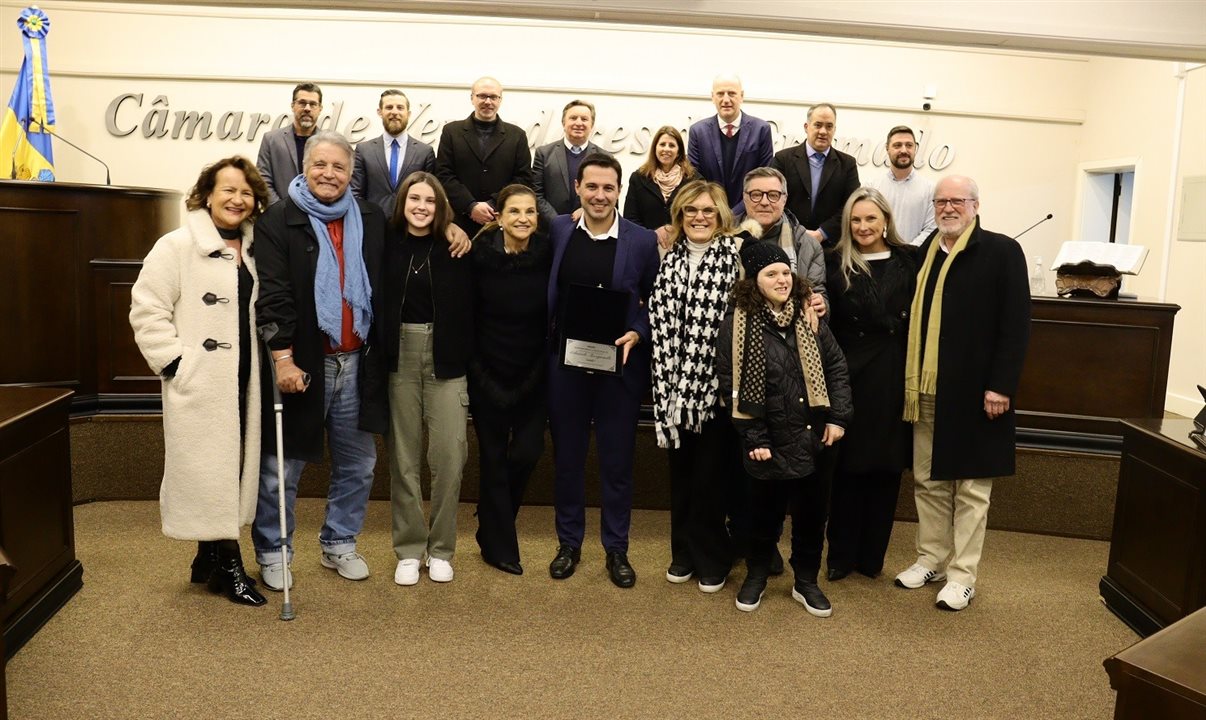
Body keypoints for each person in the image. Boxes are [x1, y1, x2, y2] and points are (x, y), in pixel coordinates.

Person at [130, 156, 271, 607]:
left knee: (230, 466)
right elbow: (147, 309)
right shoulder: (175, 246)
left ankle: (207, 556)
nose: (237, 199)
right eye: (228, 190)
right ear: (207, 194)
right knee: (209, 470)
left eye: (246, 192)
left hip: (245, 378)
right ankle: (230, 566)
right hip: (200, 382)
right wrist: (175, 364)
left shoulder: (255, 250)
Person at [252, 131, 390, 591]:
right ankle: (274, 550)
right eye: (321, 165)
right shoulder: (278, 219)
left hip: (356, 362)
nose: (329, 174)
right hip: (303, 363)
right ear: (304, 168)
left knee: (359, 464)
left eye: (339, 167)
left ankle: (339, 542)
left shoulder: (369, 217)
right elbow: (273, 296)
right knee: (282, 467)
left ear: (352, 174)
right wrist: (283, 360)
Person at [893, 175, 1030, 611]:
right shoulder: (923, 254)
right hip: (928, 387)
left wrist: (1001, 386)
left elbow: (1016, 324)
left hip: (977, 393)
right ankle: (930, 557)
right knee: (928, 480)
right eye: (941, 201)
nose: (948, 208)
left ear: (975, 204)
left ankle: (962, 574)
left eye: (957, 201)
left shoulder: (1002, 251)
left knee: (971, 488)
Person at [716, 242, 852, 616]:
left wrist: (838, 418)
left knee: (812, 516)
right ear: (753, 281)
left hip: (814, 436)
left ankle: (806, 580)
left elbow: (837, 370)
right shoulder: (737, 325)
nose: (781, 280)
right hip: (767, 442)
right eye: (770, 274)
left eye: (785, 272)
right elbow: (733, 385)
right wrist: (754, 437)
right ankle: (756, 575)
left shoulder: (810, 318)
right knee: (763, 516)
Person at [546, 153, 659, 588]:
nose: (599, 195)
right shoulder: (558, 230)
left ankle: (617, 549)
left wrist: (637, 331)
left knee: (617, 463)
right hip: (566, 367)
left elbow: (657, 299)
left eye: (608, 188)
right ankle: (568, 544)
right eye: (591, 187)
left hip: (619, 370)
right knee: (568, 459)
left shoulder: (642, 240)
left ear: (619, 192)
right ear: (578, 188)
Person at [648, 180, 743, 593]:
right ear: (680, 216)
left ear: (720, 215)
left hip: (715, 391)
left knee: (710, 479)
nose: (699, 217)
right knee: (682, 476)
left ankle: (712, 556)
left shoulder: (738, 256)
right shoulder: (668, 258)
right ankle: (682, 552)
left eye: (707, 210)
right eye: (691, 211)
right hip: (672, 390)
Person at [823, 187, 918, 581]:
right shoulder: (834, 262)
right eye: (856, 220)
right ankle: (841, 556)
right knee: (846, 469)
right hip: (849, 373)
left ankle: (871, 557)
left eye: (870, 218)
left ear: (885, 221)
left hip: (894, 374)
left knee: (885, 468)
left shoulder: (911, 259)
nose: (863, 226)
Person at [384, 171, 473, 586]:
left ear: (441, 208)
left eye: (430, 201)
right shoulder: (384, 243)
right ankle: (408, 549)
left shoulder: (456, 246)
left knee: (449, 458)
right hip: (398, 354)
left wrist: (456, 227)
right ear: (402, 202)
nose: (421, 206)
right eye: (414, 199)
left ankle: (440, 550)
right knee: (403, 459)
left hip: (447, 357)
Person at [468, 184, 552, 575]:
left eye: (530, 212)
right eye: (514, 211)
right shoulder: (475, 256)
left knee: (527, 452)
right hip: (487, 371)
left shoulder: (548, 253)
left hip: (534, 372)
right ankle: (498, 544)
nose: (523, 219)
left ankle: (490, 516)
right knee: (493, 459)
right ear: (498, 217)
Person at [435, 76, 534, 237]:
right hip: (459, 223)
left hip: (501, 222)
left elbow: (523, 178)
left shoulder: (517, 135)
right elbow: (443, 174)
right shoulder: (451, 132)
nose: (488, 101)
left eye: (493, 97)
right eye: (482, 96)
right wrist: (470, 206)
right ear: (472, 98)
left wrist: (494, 204)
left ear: (500, 100)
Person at [734, 166, 827, 308]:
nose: (764, 202)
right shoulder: (723, 238)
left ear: (784, 199)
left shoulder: (809, 246)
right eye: (756, 194)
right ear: (745, 198)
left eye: (773, 195)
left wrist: (820, 305)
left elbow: (818, 294)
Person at [771, 103, 860, 248]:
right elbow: (774, 200)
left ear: (835, 129)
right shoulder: (783, 159)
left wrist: (822, 233)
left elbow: (851, 206)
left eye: (829, 126)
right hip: (786, 242)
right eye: (818, 125)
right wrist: (796, 231)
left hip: (830, 248)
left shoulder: (847, 164)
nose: (823, 131)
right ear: (806, 127)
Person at [687, 74, 773, 214]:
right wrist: (717, 211)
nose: (726, 99)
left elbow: (762, 178)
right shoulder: (698, 132)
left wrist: (735, 214)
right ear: (712, 97)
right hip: (710, 215)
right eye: (720, 94)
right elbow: (695, 179)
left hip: (749, 216)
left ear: (741, 96)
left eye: (732, 93)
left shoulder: (761, 129)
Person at [352, 89, 436, 214]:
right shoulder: (363, 150)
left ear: (408, 113)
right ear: (380, 112)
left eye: (400, 108)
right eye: (389, 107)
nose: (395, 112)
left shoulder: (425, 152)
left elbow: (431, 195)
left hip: (411, 227)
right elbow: (355, 193)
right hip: (373, 225)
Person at [532, 99, 607, 227]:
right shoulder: (543, 154)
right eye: (573, 118)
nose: (578, 123)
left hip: (590, 229)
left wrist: (587, 212)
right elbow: (536, 193)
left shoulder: (605, 158)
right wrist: (557, 221)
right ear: (563, 122)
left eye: (584, 119)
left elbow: (608, 195)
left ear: (592, 124)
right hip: (549, 230)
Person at [622, 125, 696, 249]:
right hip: (646, 247)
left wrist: (677, 230)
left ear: (679, 151)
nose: (666, 149)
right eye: (662, 144)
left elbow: (698, 217)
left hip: (685, 247)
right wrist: (653, 235)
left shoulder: (693, 180)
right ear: (655, 148)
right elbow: (630, 219)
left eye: (672, 145)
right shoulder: (638, 178)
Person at [866, 125, 936, 245]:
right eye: (897, 145)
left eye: (909, 145)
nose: (904, 150)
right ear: (887, 148)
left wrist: (907, 252)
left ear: (915, 148)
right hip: (879, 257)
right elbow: (866, 225)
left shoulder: (930, 189)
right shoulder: (871, 187)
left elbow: (931, 228)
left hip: (914, 258)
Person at [257, 82, 323, 204]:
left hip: (319, 216)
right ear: (293, 106)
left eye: (313, 104)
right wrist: (281, 211)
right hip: (280, 216)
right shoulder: (271, 140)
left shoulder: (329, 143)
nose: (307, 108)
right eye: (302, 103)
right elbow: (263, 180)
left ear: (320, 109)